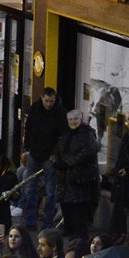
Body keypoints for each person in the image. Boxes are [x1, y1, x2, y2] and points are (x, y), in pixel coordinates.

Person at [22, 88, 68, 230]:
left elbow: (62, 136)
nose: (49, 104)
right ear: (42, 98)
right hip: (35, 153)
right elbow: (28, 128)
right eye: (47, 101)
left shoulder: (60, 113)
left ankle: (47, 222)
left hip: (49, 156)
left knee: (50, 192)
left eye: (51, 101)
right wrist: (28, 147)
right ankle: (30, 221)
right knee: (31, 189)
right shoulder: (35, 109)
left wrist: (55, 153)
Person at [55, 109, 100, 237]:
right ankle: (69, 229)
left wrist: (68, 162)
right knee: (66, 204)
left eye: (76, 119)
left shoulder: (88, 134)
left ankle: (79, 233)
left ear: (81, 119)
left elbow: (88, 152)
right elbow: (60, 149)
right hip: (66, 176)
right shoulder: (66, 134)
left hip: (81, 176)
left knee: (79, 206)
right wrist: (59, 160)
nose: (73, 122)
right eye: (70, 119)